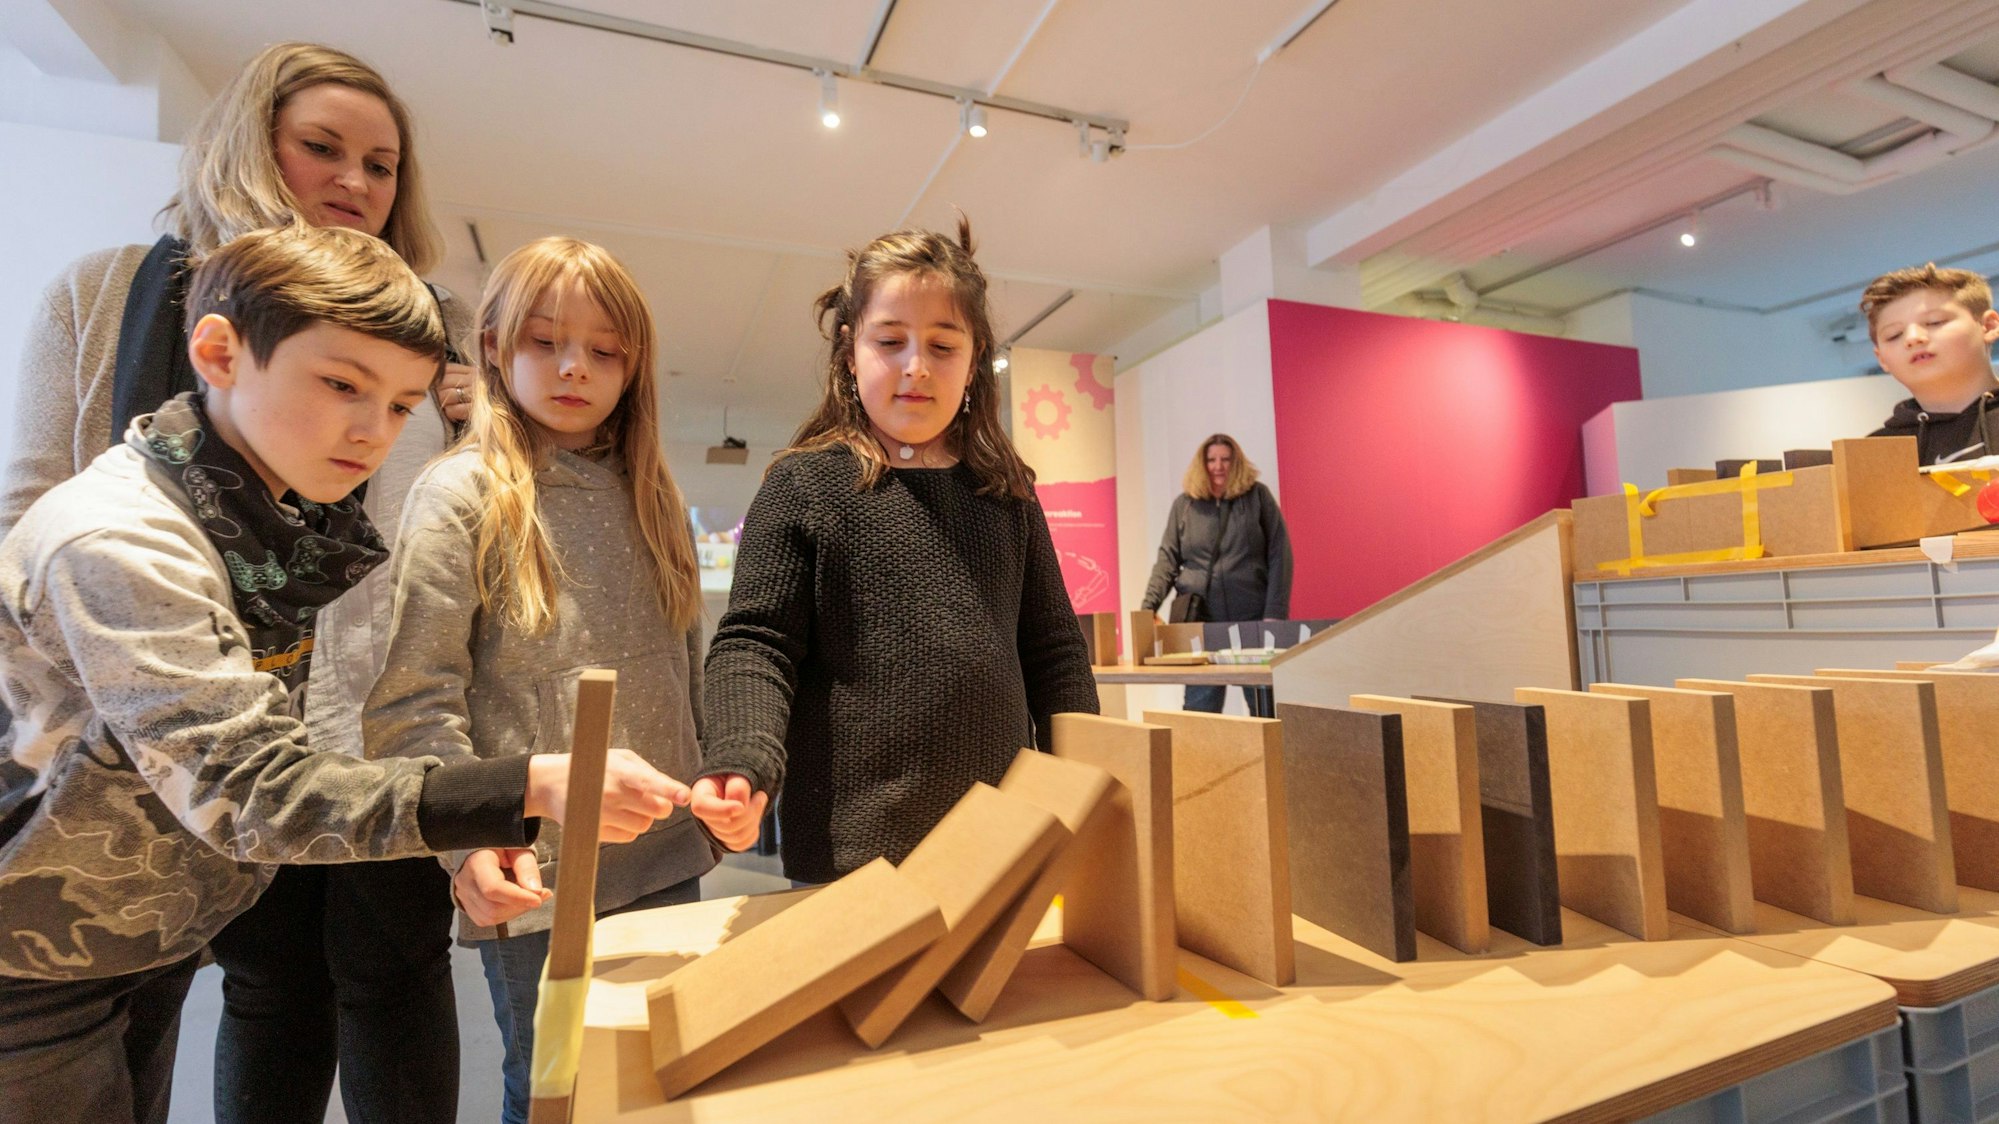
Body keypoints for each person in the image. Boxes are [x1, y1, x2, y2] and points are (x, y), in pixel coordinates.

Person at [0, 223, 684, 1124]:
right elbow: (253, 792)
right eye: (340, 386)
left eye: (402, 405)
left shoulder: (266, 524)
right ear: (219, 353)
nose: (372, 433)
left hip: (141, 939)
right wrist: (520, 791)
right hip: (37, 961)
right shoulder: (120, 544)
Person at [0, 42, 479, 1124]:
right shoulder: (108, 307)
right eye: (321, 147)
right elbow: (33, 523)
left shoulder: (423, 340)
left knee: (385, 979)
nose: (356, 181)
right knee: (264, 992)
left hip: (360, 728)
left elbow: (432, 551)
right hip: (122, 764)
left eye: (382, 163)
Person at [365, 237, 718, 1124]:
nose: (574, 368)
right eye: (544, 341)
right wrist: (466, 845)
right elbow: (414, 701)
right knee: (556, 1090)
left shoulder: (654, 497)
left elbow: (688, 668)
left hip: (665, 857)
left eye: (604, 351)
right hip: (537, 881)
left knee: (659, 1084)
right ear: (492, 345)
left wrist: (717, 780)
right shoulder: (458, 495)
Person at [691, 218, 1100, 882]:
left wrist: (1081, 781)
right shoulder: (802, 484)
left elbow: (1053, 651)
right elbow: (754, 643)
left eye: (942, 345)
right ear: (850, 352)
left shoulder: (1006, 494)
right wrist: (740, 756)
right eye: (890, 341)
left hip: (998, 841)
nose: (915, 366)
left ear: (974, 359)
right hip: (849, 852)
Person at [1139, 433, 1293, 716]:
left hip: (1251, 621)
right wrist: (1148, 607)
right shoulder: (1185, 505)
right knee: (1200, 709)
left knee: (1264, 711)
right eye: (1211, 459)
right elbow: (1167, 560)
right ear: (1202, 463)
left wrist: (1275, 612)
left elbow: (1280, 554)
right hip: (1201, 623)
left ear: (1236, 462)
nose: (1218, 466)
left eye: (1225, 459)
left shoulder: (1257, 497)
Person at [1862, 263, 1999, 465]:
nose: (1913, 338)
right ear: (1882, 358)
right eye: (1894, 335)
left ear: (1988, 326)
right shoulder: (1872, 454)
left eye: (1935, 322)